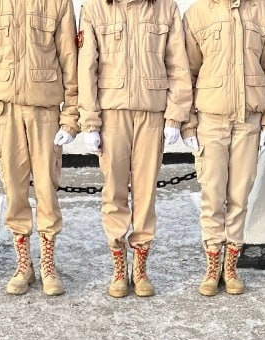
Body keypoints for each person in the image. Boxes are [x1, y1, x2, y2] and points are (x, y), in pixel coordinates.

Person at [78, 0, 192, 298]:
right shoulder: (95, 8)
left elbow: (178, 65)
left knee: (145, 193)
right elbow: (87, 67)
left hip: (151, 113)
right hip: (112, 113)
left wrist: (175, 116)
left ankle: (140, 268)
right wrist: (90, 121)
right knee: (114, 191)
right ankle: (119, 268)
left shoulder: (165, 8)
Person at [0, 0, 79, 296]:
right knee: (14, 189)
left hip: (44, 108)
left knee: (46, 188)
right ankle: (24, 265)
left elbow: (70, 61)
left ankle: (48, 264)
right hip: (4, 109)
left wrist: (71, 116)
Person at [182, 0, 265, 297]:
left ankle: (230, 268)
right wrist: (188, 123)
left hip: (249, 120)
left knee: (240, 197)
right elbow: (186, 73)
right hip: (210, 119)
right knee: (212, 196)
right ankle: (212, 266)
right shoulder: (197, 13)